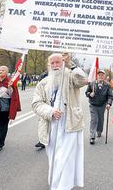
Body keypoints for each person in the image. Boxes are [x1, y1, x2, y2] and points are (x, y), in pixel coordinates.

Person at [32, 53, 87, 189]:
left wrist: (71, 64)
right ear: (49, 66)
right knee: (54, 158)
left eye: (58, 62)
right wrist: (50, 112)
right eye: (53, 63)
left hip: (70, 125)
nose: (56, 66)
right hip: (50, 126)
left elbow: (83, 80)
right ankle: (56, 183)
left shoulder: (71, 76)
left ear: (63, 63)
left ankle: (64, 186)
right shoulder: (43, 83)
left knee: (66, 158)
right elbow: (36, 104)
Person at [86, 70, 113, 144]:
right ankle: (92, 136)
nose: (100, 76)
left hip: (102, 105)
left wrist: (109, 104)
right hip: (93, 105)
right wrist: (90, 94)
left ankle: (99, 131)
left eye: (102, 75)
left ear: (104, 76)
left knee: (100, 120)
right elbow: (87, 92)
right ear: (97, 76)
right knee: (94, 120)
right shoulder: (92, 84)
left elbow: (110, 96)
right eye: (99, 75)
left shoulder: (107, 85)